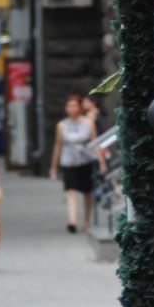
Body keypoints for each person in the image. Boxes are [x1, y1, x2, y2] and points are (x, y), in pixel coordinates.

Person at [52, 92, 99, 234]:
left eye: (74, 106)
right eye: (69, 106)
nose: (71, 109)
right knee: (70, 191)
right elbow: (58, 145)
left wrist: (101, 162)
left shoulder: (88, 123)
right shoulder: (62, 125)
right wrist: (53, 166)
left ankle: (87, 221)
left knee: (87, 192)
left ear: (80, 107)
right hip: (68, 162)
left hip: (85, 160)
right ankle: (72, 221)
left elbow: (96, 143)